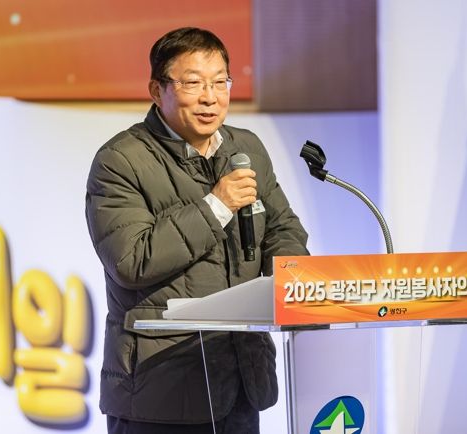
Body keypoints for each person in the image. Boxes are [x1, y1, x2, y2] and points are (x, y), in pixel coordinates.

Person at [85, 27, 309, 434]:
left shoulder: (246, 149)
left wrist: (293, 280)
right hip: (159, 389)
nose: (210, 97)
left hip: (241, 381)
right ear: (157, 90)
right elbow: (131, 261)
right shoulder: (120, 161)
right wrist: (216, 206)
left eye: (220, 82)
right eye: (193, 83)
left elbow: (282, 228)